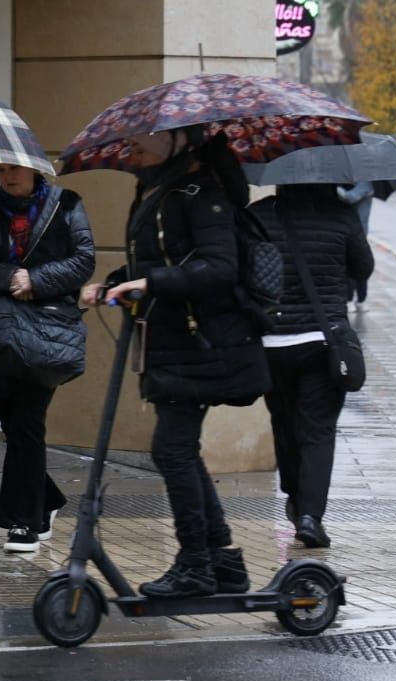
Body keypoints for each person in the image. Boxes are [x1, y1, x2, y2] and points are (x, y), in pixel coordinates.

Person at [82, 128, 269, 597]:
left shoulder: (201, 194)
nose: (132, 152)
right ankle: (221, 561)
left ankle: (196, 566)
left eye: (143, 144)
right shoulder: (157, 191)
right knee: (178, 451)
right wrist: (113, 282)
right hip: (174, 343)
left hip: (202, 346)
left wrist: (150, 285)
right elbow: (154, 260)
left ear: (177, 145)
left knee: (172, 450)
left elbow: (218, 267)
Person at [0, 164, 95, 553]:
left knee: (28, 421)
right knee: (12, 422)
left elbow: (84, 259)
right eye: (0, 168)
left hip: (47, 329)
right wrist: (9, 276)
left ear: (34, 168)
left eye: (13, 168)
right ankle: (47, 499)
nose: (6, 175)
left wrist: (36, 280)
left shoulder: (66, 204)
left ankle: (23, 523)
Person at [247, 184, 374, 548]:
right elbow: (363, 268)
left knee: (284, 424)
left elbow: (245, 269)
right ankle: (310, 516)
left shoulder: (260, 214)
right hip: (323, 340)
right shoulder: (341, 214)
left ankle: (295, 496)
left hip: (271, 340)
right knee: (317, 430)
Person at [337, 180, 374, 312]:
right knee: (348, 265)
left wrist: (335, 189)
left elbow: (350, 197)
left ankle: (360, 300)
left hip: (360, 232)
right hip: (347, 229)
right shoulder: (349, 182)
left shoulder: (366, 183)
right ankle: (351, 299)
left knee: (360, 265)